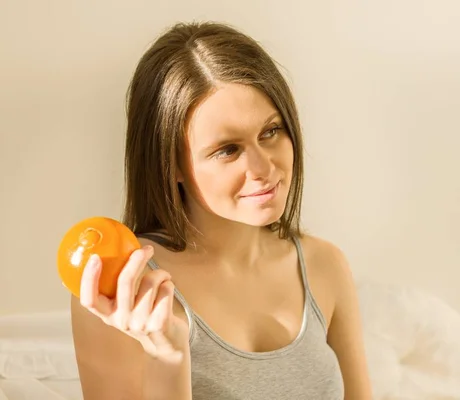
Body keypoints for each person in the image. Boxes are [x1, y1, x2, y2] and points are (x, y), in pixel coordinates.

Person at [70, 20, 372, 400]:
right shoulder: (125, 290)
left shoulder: (324, 265)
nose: (264, 169)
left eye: (271, 131)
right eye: (228, 149)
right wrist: (170, 357)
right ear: (171, 164)